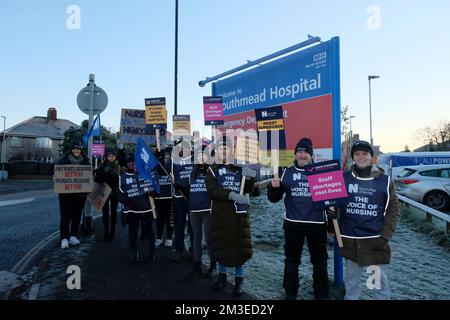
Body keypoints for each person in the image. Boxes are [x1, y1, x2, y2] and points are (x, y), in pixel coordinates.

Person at [267, 137, 330, 300]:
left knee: (319, 262)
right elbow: (274, 198)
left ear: (311, 155)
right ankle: (290, 292)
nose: (302, 155)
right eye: (299, 152)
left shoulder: (321, 171)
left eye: (306, 152)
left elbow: (332, 199)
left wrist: (332, 211)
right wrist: (273, 189)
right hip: (293, 224)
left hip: (316, 224)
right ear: (295, 154)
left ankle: (321, 294)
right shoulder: (286, 172)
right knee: (292, 261)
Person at [338, 140, 400, 300]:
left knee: (377, 282)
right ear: (353, 157)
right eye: (357, 154)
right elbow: (333, 204)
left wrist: (385, 236)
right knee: (352, 283)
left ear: (371, 156)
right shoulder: (343, 178)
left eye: (365, 154)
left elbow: (393, 210)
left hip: (374, 242)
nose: (361, 157)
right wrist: (333, 225)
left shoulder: (384, 181)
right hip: (351, 240)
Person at [206, 139, 257, 297]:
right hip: (221, 214)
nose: (223, 152)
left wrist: (249, 179)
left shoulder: (239, 169)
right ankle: (222, 278)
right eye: (220, 150)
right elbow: (212, 191)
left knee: (239, 247)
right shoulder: (212, 170)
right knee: (221, 245)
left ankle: (239, 281)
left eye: (226, 150)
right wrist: (231, 195)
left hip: (238, 215)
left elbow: (248, 189)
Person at [117, 154, 158, 262]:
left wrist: (153, 192)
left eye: (133, 162)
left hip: (146, 208)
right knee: (133, 232)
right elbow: (119, 194)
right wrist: (128, 202)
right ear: (126, 164)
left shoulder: (144, 174)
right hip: (132, 210)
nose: (131, 164)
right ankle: (134, 252)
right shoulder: (122, 177)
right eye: (129, 162)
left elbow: (153, 189)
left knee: (149, 232)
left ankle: (152, 252)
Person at [185, 145, 216, 279]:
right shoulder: (193, 171)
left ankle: (213, 266)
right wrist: (179, 186)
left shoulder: (212, 170)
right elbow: (189, 189)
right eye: (199, 155)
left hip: (208, 209)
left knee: (209, 239)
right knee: (196, 239)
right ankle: (197, 264)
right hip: (194, 209)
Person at [58, 141, 91, 249]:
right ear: (71, 150)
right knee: (65, 217)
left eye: (78, 149)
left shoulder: (86, 162)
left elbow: (89, 177)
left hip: (80, 195)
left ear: (81, 150)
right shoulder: (63, 161)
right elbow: (57, 175)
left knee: (76, 217)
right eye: (74, 149)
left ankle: (73, 236)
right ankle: (64, 238)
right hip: (65, 195)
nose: (76, 151)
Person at [171, 140, 195, 261]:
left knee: (193, 226)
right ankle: (179, 250)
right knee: (179, 225)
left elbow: (198, 177)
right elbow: (163, 171)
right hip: (179, 198)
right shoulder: (173, 161)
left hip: (192, 197)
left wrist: (187, 189)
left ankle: (193, 249)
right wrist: (159, 157)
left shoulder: (194, 160)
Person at [94, 149, 120, 239]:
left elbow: (120, 180)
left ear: (115, 157)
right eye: (109, 156)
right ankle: (106, 232)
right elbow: (97, 180)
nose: (111, 158)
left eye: (113, 156)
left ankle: (112, 232)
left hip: (114, 193)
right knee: (105, 213)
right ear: (107, 157)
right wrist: (100, 172)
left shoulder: (118, 167)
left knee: (113, 213)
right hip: (104, 192)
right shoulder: (102, 166)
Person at [154, 149, 174, 248]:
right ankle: (159, 237)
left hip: (170, 198)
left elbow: (166, 169)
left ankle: (169, 238)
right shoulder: (158, 166)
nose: (167, 160)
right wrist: (157, 158)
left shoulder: (172, 167)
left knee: (169, 219)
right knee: (159, 219)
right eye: (165, 158)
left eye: (168, 158)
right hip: (159, 198)